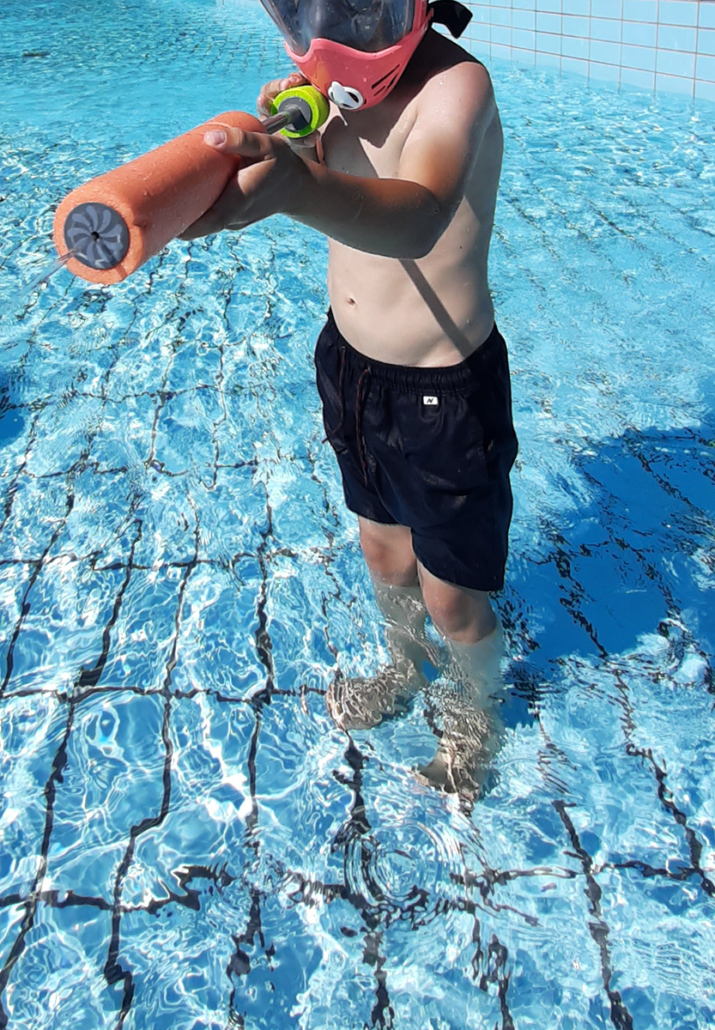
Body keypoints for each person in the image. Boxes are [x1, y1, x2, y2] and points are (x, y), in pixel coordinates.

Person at [181, 0, 518, 802]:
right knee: (381, 553)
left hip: (443, 392)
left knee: (450, 595)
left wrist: (298, 188)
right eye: (304, 14)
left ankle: (479, 714)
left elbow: (419, 216)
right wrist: (282, 146)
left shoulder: (455, 90)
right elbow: (305, 162)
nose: (330, 41)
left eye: (361, 12)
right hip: (352, 368)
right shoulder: (327, 82)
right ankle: (403, 668)